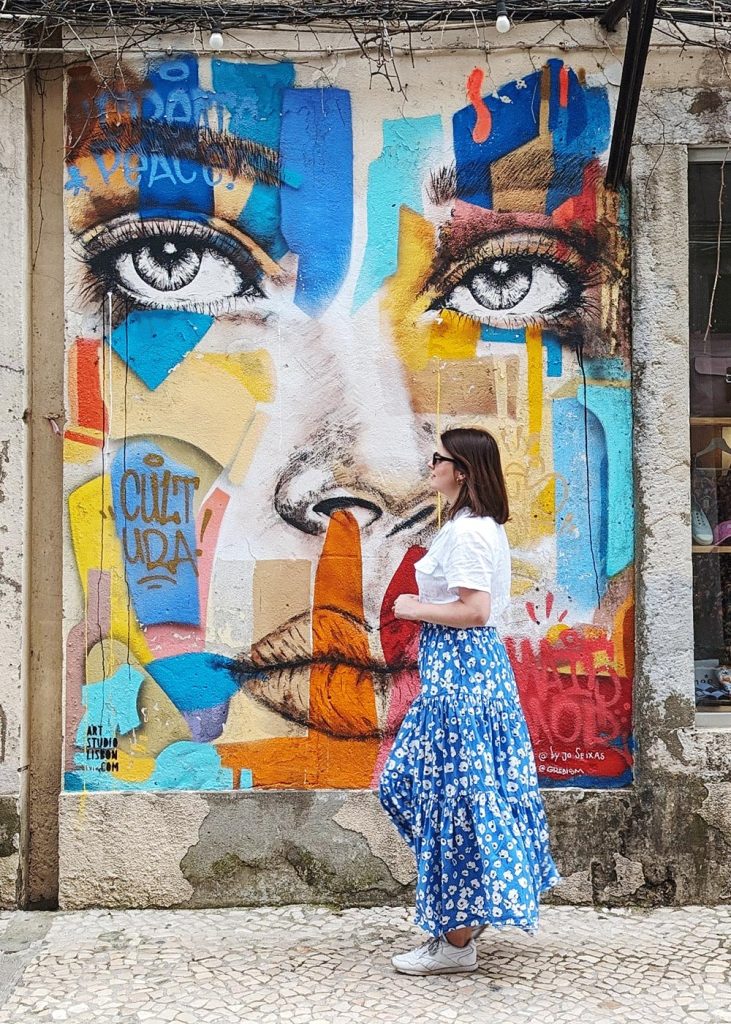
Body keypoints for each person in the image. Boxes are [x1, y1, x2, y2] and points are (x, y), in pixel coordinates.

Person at [379, 426, 560, 976]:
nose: (430, 465)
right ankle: (469, 914)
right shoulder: (465, 526)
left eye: (439, 458)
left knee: (453, 797)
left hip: (463, 675)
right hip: (463, 674)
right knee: (425, 786)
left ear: (461, 469)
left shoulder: (472, 533)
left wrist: (410, 607)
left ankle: (455, 942)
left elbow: (476, 611)